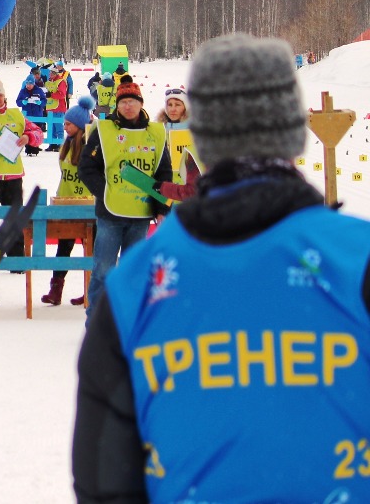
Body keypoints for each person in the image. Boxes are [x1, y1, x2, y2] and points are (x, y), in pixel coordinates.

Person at [73, 34, 370, 502]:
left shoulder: (138, 281)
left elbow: (104, 482)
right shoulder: (358, 257)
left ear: (205, 138)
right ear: (292, 132)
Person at [77, 75, 171, 325]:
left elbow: (163, 174)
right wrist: (104, 191)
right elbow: (87, 167)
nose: (127, 106)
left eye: (132, 101)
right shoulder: (104, 131)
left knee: (133, 271)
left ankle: (128, 320)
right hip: (110, 215)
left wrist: (162, 207)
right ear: (117, 105)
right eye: (123, 102)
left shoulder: (156, 133)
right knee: (103, 271)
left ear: (141, 104)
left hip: (140, 215)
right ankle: (96, 321)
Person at [42, 96, 95, 306]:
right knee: (63, 248)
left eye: (69, 124)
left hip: (88, 205)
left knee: (90, 249)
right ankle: (55, 290)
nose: (65, 127)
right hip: (66, 204)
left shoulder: (91, 147)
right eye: (64, 123)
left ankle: (91, 290)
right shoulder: (66, 145)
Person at [0, 79, 31, 262]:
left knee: (14, 219)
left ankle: (16, 259)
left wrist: (27, 137)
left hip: (13, 176)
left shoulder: (15, 115)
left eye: (0, 95)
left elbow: (36, 133)